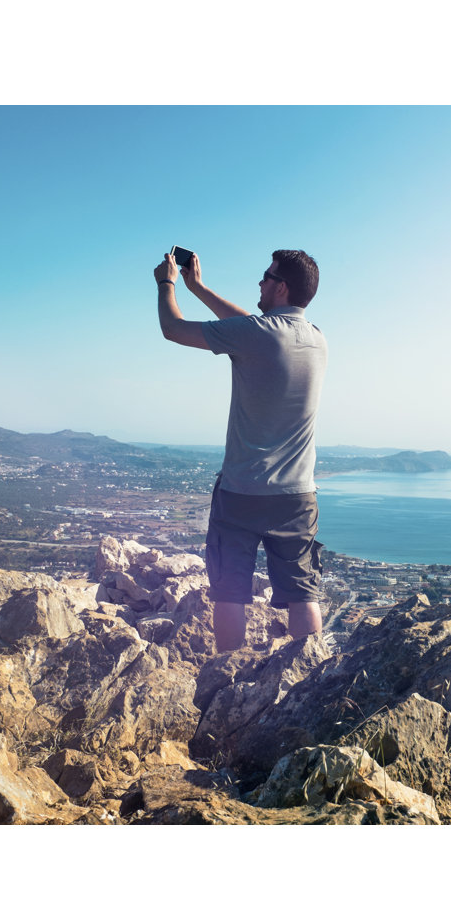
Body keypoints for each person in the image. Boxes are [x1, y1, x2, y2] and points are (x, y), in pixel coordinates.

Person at [153, 248, 327, 652]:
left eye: (266, 277)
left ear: (281, 287)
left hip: (243, 492)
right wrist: (200, 287)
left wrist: (169, 283)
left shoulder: (258, 335)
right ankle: (314, 679)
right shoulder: (317, 339)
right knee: (304, 594)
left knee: (230, 592)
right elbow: (250, 325)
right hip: (298, 496)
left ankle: (228, 676)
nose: (260, 283)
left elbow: (172, 328)